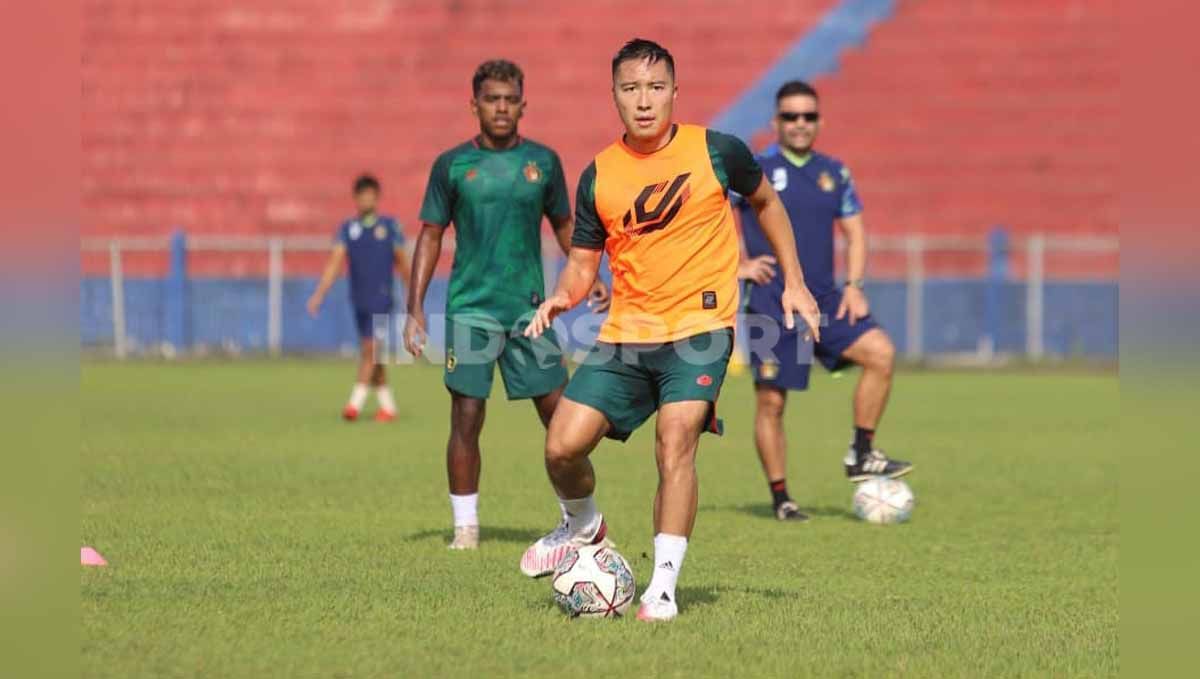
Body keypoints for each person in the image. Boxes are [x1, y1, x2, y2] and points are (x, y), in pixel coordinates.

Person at [519, 39, 821, 622]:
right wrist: (564, 294)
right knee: (561, 446)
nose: (644, 100)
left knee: (675, 441)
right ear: (614, 96)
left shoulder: (717, 151)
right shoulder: (599, 174)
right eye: (630, 89)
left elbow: (767, 201)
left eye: (656, 88)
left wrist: (794, 280)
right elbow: (584, 262)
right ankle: (584, 526)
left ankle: (661, 588)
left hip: (700, 328)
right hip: (627, 333)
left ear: (675, 93)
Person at [404, 60, 609, 551]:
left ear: (523, 104)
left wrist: (588, 278)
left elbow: (565, 225)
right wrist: (414, 308)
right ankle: (466, 529)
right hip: (470, 311)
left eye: (510, 99)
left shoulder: (544, 162)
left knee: (562, 417)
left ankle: (580, 521)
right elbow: (430, 235)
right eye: (492, 99)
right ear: (473, 105)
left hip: (530, 313)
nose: (501, 107)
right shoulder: (452, 165)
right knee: (467, 416)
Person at [738, 80, 913, 523]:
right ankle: (782, 498)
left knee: (881, 353)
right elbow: (709, 215)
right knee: (772, 403)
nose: (800, 124)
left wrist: (853, 284)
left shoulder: (835, 173)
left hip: (826, 299)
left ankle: (861, 450)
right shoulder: (754, 168)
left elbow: (855, 232)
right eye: (791, 116)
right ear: (776, 121)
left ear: (820, 121)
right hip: (772, 303)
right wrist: (736, 264)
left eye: (808, 116)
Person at [307, 174, 412, 422]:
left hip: (383, 300)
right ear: (356, 198)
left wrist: (413, 299)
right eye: (362, 195)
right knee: (372, 354)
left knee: (370, 350)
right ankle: (388, 406)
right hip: (359, 300)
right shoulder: (348, 229)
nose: (366, 200)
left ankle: (354, 404)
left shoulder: (389, 227)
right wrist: (319, 294)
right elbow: (335, 263)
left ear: (377, 197)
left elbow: (404, 264)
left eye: (370, 195)